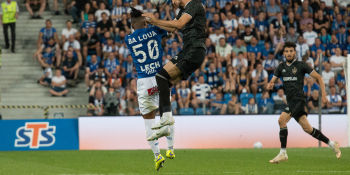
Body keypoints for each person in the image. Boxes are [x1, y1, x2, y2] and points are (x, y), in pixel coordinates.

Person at [266, 42, 341, 164]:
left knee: (281, 120)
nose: (289, 53)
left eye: (291, 51)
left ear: (295, 52)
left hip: (299, 100)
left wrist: (324, 94)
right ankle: (332, 144)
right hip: (291, 102)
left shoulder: (301, 65)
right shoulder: (280, 67)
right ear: (284, 53)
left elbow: (319, 78)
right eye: (287, 51)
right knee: (308, 129)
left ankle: (283, 153)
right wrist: (271, 83)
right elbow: (273, 80)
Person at [142, 0, 206, 137]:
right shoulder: (183, 11)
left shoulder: (195, 4)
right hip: (189, 50)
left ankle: (166, 117)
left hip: (195, 49)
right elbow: (171, 28)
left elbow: (179, 24)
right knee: (163, 82)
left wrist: (154, 21)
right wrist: (151, 20)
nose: (172, 2)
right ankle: (165, 124)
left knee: (161, 77)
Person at [124, 8, 174, 171]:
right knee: (166, 113)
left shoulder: (129, 39)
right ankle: (171, 149)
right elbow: (172, 28)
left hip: (144, 81)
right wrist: (153, 20)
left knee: (148, 121)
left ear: (132, 24)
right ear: (145, 20)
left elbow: (136, 27)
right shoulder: (155, 30)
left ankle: (157, 155)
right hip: (160, 77)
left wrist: (142, 20)